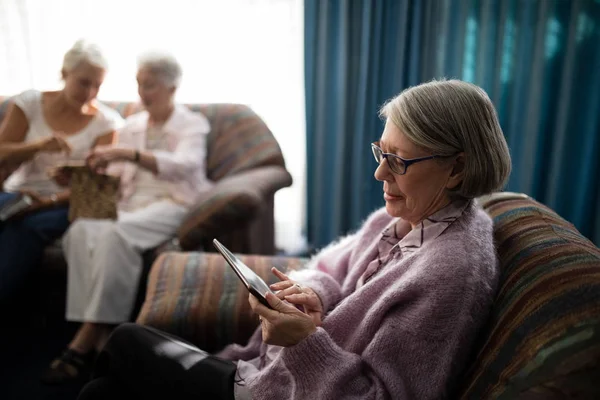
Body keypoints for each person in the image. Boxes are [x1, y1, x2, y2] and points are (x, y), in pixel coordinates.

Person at [77, 79, 512, 400]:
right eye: (381, 152)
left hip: (281, 391)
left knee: (126, 340)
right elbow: (329, 270)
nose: (379, 173)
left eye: (398, 161)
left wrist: (304, 341)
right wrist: (312, 294)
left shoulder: (451, 272)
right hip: (272, 377)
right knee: (100, 393)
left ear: (457, 168)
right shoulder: (404, 215)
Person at [41, 51, 214, 384]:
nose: (141, 93)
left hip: (172, 202)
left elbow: (186, 165)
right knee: (80, 230)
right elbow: (119, 176)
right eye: (138, 84)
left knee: (116, 234)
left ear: (171, 87)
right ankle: (101, 336)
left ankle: (85, 339)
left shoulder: (191, 124)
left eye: (149, 85)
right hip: (130, 203)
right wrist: (86, 174)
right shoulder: (132, 125)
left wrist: (127, 153)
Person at [0, 40, 123, 305]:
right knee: (10, 212)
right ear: (65, 73)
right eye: (83, 82)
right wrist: (39, 145)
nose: (90, 92)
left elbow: (97, 188)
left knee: (29, 226)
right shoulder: (29, 103)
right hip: (20, 192)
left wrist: (48, 201)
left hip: (66, 201)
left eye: (97, 85)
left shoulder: (106, 123)